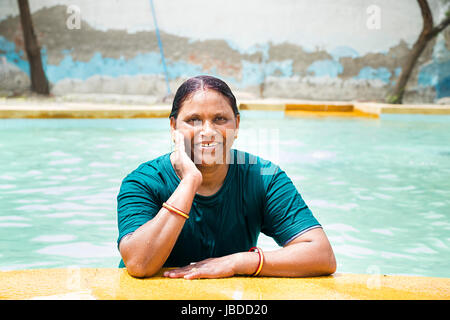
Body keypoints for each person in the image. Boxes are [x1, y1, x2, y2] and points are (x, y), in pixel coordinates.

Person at [117, 75, 336, 279]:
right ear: (173, 127)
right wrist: (190, 181)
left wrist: (239, 261)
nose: (208, 131)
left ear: (237, 125)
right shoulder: (143, 182)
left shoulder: (263, 177)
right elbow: (139, 264)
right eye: (193, 120)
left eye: (220, 119)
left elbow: (322, 256)